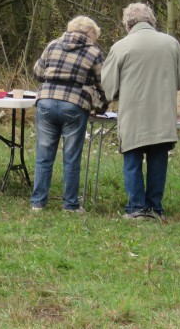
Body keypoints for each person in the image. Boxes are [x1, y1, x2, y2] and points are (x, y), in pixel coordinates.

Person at [101, 3, 180, 220]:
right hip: (162, 114)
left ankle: (136, 208)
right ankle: (155, 208)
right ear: (152, 21)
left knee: (133, 161)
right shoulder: (171, 43)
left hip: (133, 114)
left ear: (127, 24)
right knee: (158, 161)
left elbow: (109, 87)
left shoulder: (121, 46)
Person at [31, 16, 108, 213]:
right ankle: (70, 205)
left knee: (44, 155)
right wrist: (101, 106)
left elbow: (38, 73)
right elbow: (104, 85)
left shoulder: (52, 45)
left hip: (46, 101)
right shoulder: (95, 51)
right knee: (71, 157)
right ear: (91, 34)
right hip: (74, 105)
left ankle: (38, 203)